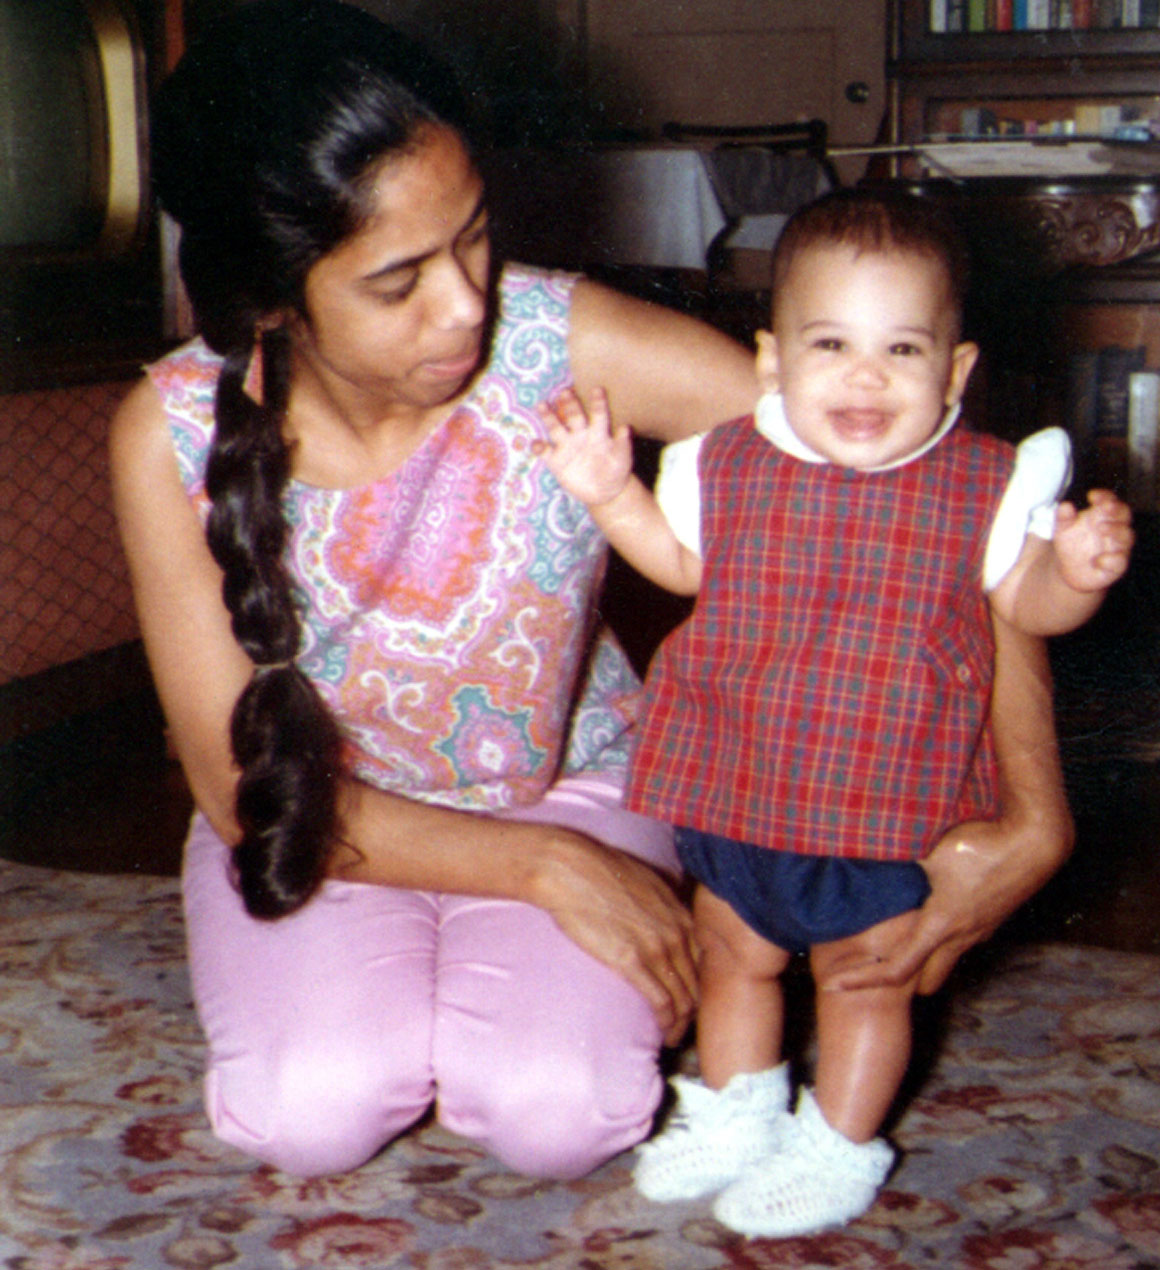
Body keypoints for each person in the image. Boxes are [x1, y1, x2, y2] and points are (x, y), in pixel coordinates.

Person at [109, 0, 1073, 1185]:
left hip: (571, 781)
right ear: (272, 298)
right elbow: (242, 787)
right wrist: (548, 872)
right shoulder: (168, 435)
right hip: (317, 822)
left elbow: (928, 499)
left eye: (473, 236)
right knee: (309, 1112)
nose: (467, 302)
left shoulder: (557, 341)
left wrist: (1032, 809)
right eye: (399, 278)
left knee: (564, 1114)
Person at [539, 187, 1133, 1232]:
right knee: (734, 954)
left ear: (955, 371)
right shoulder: (719, 464)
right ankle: (736, 1111)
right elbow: (677, 566)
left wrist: (1076, 572)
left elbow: (1026, 605)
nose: (865, 375)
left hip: (885, 806)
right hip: (738, 784)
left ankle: (839, 1142)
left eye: (904, 351)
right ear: (772, 362)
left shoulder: (983, 487)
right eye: (831, 344)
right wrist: (608, 492)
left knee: (867, 981)